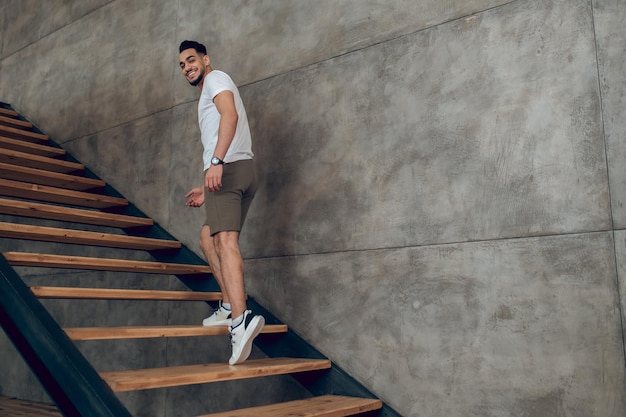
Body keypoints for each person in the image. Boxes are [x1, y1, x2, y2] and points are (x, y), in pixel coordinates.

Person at [178, 40, 264, 365]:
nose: (187, 67)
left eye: (191, 60)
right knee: (206, 236)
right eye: (182, 65)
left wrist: (216, 162)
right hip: (240, 170)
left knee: (224, 241)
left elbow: (230, 116)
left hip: (228, 169)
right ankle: (228, 305)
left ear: (205, 59)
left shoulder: (215, 80)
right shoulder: (213, 85)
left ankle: (240, 322)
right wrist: (205, 183)